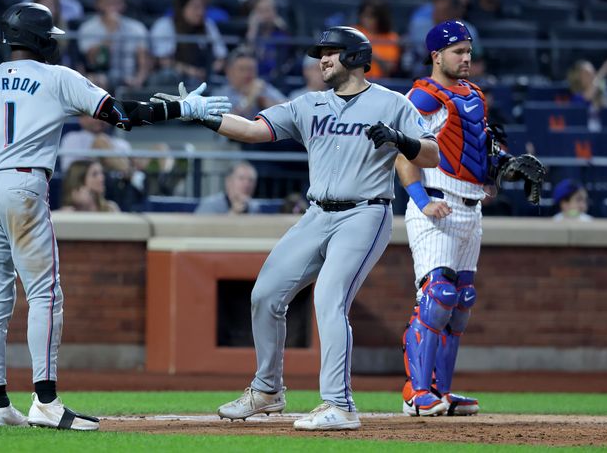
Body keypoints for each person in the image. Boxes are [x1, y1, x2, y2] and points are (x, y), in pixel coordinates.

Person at [0, 2, 230, 430]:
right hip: (25, 187)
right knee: (45, 294)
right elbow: (121, 116)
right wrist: (181, 110)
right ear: (41, 40)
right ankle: (45, 401)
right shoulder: (59, 77)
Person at [186, 26, 440, 430]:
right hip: (317, 214)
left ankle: (339, 404)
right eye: (320, 52)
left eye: (331, 52)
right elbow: (253, 130)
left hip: (365, 213)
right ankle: (268, 390)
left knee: (329, 296)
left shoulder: (392, 104)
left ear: (356, 56)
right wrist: (202, 117)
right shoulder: (310, 105)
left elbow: (432, 154)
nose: (321, 59)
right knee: (265, 294)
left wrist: (400, 140)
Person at [395, 20, 545, 418]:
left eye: (468, 50)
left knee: (461, 301)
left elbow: (477, 151)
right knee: (437, 296)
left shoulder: (475, 96)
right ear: (436, 55)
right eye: (458, 51)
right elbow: (403, 151)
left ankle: (441, 392)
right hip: (437, 205)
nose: (466, 58)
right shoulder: (423, 97)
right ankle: (416, 392)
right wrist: (421, 199)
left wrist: (502, 167)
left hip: (469, 207)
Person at [77, 0, 151, 90]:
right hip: (102, 80)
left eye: (117, 2)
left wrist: (138, 81)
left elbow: (144, 61)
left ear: (124, 4)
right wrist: (111, 32)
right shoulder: (87, 28)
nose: (113, 7)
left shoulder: (137, 28)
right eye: (108, 2)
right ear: (98, 3)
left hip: (130, 80)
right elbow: (92, 60)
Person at [212, 47, 287, 119]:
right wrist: (250, 98)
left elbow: (289, 112)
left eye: (251, 69)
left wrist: (266, 103)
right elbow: (224, 124)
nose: (247, 74)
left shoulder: (263, 88)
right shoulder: (220, 95)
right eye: (242, 69)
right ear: (229, 71)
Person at [354, 0, 401, 79]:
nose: (366, 19)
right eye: (364, 15)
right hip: (355, 80)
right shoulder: (353, 32)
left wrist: (371, 54)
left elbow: (389, 69)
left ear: (381, 18)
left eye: (371, 16)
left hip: (379, 83)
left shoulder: (391, 38)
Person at [195, 161, 261, 214]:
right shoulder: (210, 206)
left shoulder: (254, 207)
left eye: (251, 180)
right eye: (241, 178)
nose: (247, 184)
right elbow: (199, 229)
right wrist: (233, 214)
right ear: (229, 181)